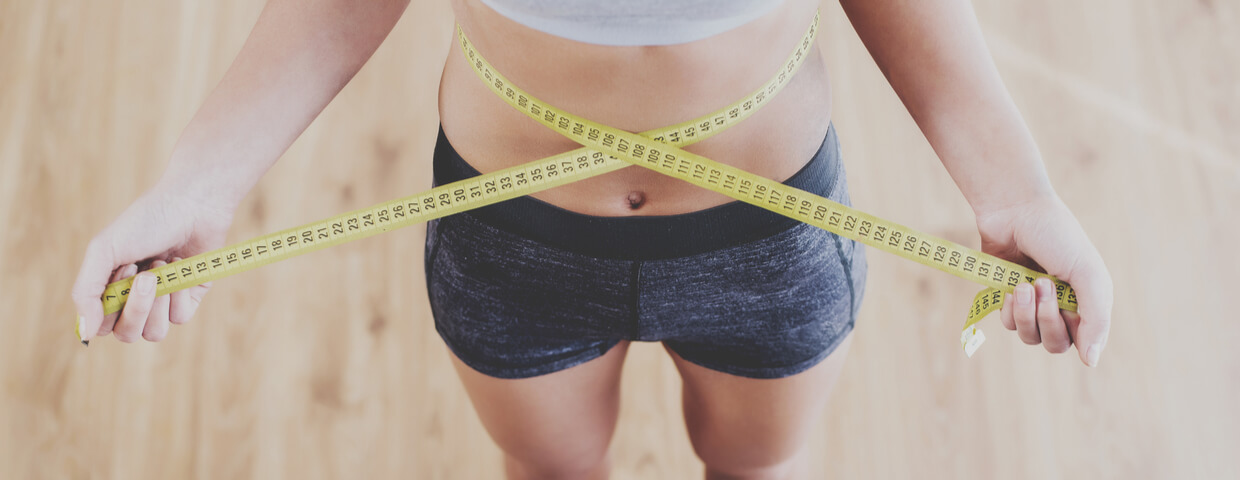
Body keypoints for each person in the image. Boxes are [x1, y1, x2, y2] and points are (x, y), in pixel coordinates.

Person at [71, 0, 1114, 478]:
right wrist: (193, 184)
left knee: (754, 467)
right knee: (550, 469)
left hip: (767, 236)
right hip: (510, 243)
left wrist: (1016, 191)